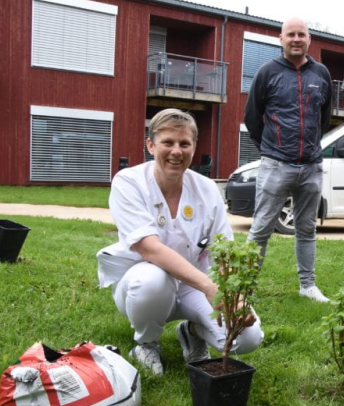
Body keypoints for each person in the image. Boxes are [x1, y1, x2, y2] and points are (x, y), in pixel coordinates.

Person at [97, 109, 264, 375]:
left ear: (194, 147)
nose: (176, 151)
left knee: (247, 338)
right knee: (152, 279)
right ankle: (146, 344)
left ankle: (192, 332)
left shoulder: (207, 189)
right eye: (168, 142)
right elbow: (149, 248)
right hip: (142, 285)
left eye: (184, 143)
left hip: (193, 285)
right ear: (151, 145)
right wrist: (209, 286)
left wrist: (234, 297)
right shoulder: (129, 182)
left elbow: (224, 251)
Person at [244, 17, 332, 303]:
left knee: (306, 229)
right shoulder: (267, 72)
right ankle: (244, 288)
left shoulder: (321, 73)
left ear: (309, 40)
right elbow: (252, 117)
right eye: (291, 34)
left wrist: (311, 146)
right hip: (275, 165)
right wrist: (270, 149)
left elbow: (325, 117)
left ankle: (308, 286)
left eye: (301, 34)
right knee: (260, 229)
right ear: (280, 39)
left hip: (311, 167)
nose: (296, 39)